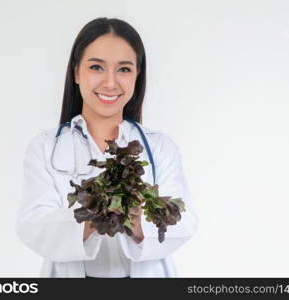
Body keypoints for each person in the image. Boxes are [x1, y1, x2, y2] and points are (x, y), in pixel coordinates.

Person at [15, 17, 199, 278]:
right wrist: (90, 219)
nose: (110, 83)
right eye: (96, 67)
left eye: (124, 69)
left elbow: (185, 222)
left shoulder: (160, 147)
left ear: (137, 76)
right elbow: (32, 225)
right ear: (77, 72)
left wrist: (136, 222)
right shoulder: (45, 147)